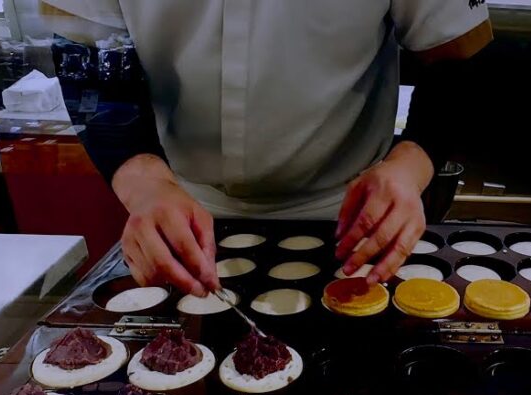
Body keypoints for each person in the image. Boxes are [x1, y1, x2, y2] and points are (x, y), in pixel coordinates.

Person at [42, 1, 492, 295]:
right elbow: (88, 62)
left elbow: (456, 58)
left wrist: (409, 168)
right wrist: (145, 186)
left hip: (350, 212)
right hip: (184, 210)